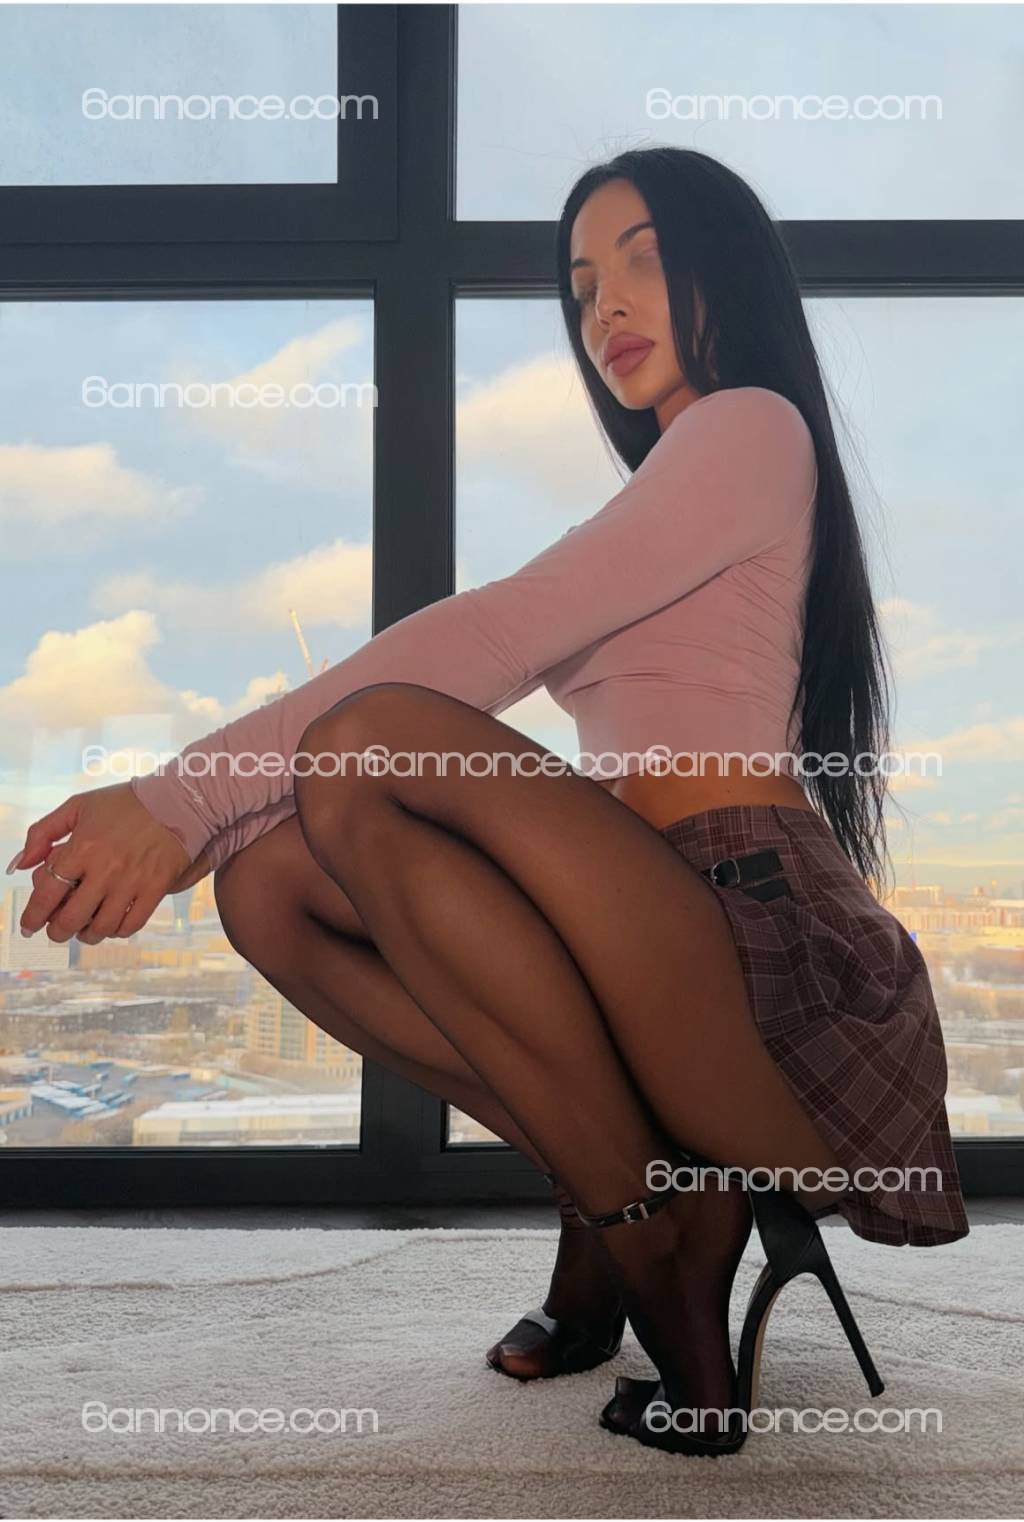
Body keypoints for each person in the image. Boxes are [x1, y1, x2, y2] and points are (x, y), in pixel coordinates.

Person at [11, 146, 968, 1456]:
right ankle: (626, 1196)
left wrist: (180, 798)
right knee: (269, 882)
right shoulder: (670, 488)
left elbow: (498, 635)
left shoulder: (751, 427)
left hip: (764, 957)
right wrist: (205, 835)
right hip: (657, 936)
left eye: (644, 258)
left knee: (373, 739)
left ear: (728, 270)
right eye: (580, 286)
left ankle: (650, 1240)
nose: (605, 306)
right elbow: (508, 648)